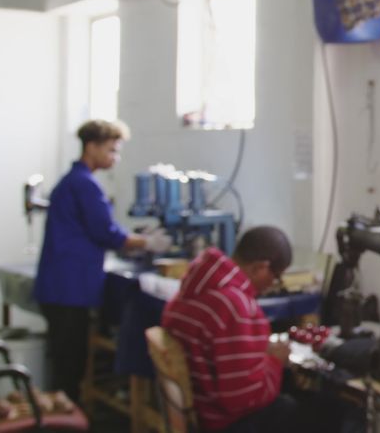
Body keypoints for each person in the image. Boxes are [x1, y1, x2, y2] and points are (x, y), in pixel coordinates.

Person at [34, 119, 172, 402]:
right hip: (68, 289)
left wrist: (132, 238)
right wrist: (148, 242)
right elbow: (107, 232)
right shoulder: (85, 186)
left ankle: (62, 413)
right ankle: (66, 420)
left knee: (64, 361)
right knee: (70, 365)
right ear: (91, 147)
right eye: (111, 150)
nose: (115, 158)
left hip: (60, 286)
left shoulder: (72, 182)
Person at [161, 226, 295, 433]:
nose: (272, 284)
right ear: (260, 267)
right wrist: (274, 361)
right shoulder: (234, 306)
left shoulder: (194, 286)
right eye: (275, 277)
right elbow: (242, 399)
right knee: (299, 409)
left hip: (195, 408)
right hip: (218, 423)